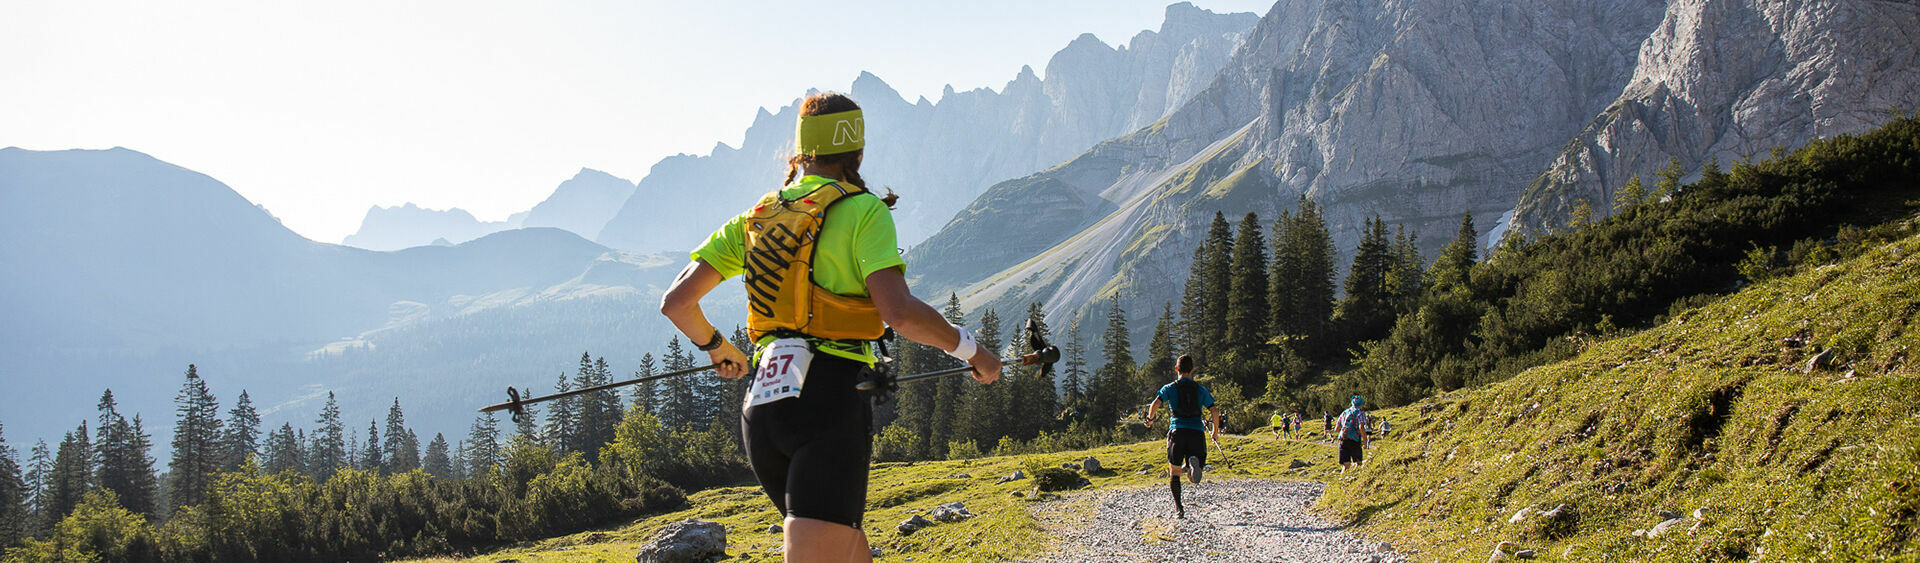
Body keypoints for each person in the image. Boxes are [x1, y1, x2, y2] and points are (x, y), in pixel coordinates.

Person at [660, 92, 1003, 562]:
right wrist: (971, 350)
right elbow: (898, 313)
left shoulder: (753, 220)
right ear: (857, 152)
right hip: (829, 400)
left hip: (762, 410)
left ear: (800, 153)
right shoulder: (864, 211)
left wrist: (717, 346)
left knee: (844, 548)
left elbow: (677, 303)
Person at [1143, 354, 1219, 519]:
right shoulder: (1200, 389)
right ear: (1192, 369)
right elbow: (1214, 410)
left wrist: (1150, 420)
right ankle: (1192, 464)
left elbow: (1155, 403)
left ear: (1176, 369)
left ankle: (1179, 509)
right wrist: (1215, 432)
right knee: (1194, 476)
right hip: (1197, 433)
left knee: (1174, 472)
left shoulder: (1170, 388)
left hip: (1178, 431)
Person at [1334, 396, 1371, 471]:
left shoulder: (1345, 412)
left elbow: (1336, 429)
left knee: (1346, 465)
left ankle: (1342, 480)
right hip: (1355, 440)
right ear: (1361, 404)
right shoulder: (1360, 413)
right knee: (1359, 463)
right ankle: (1356, 479)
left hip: (1343, 440)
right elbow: (1361, 427)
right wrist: (1365, 442)